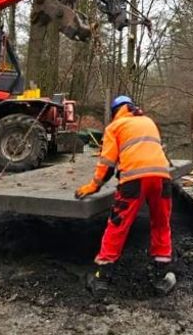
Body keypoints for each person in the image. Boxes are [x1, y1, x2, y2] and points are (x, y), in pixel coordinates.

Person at [75, 95, 176, 296]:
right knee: (161, 223)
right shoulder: (148, 122)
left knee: (118, 225)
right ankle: (160, 277)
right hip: (162, 178)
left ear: (115, 111)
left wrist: (94, 186)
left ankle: (101, 280)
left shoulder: (115, 126)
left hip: (134, 181)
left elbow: (107, 164)